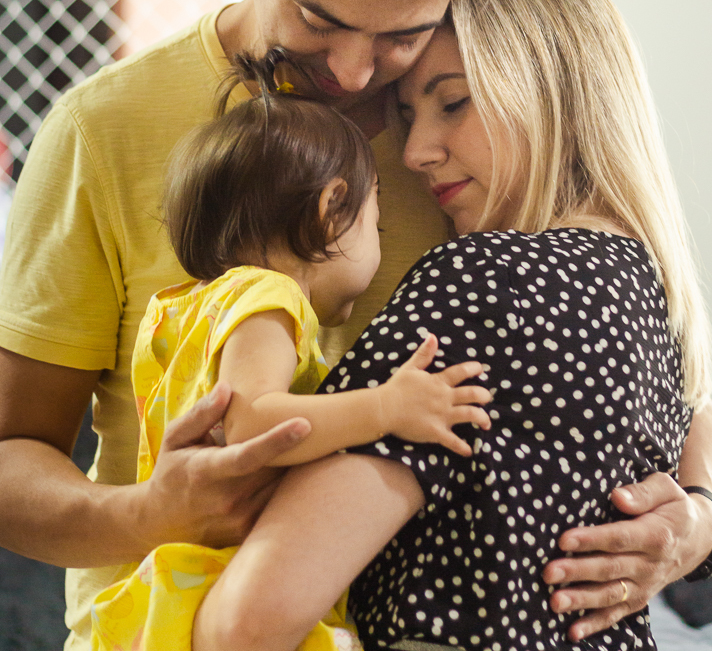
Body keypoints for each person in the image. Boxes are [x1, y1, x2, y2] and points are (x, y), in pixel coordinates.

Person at [0, 0, 712, 651]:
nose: (351, 74)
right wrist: (148, 510)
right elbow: (15, 453)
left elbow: (671, 384)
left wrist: (699, 520)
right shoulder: (102, 129)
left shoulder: (475, 143)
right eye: (317, 18)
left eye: (399, 37)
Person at [190, 0, 712, 651]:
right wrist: (706, 512)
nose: (413, 153)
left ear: (550, 89)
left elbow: (245, 624)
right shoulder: (652, 293)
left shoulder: (481, 283)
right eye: (407, 116)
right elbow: (701, 411)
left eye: (453, 102)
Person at [91, 53, 492, 651]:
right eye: (374, 227)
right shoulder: (268, 297)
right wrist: (386, 407)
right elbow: (253, 420)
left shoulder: (187, 306)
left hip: (174, 588)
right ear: (332, 211)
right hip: (222, 581)